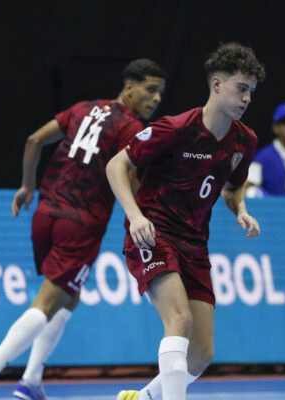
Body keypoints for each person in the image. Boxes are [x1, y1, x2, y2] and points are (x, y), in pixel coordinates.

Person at [0, 59, 166, 400]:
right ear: (129, 87)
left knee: (68, 298)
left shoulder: (82, 108)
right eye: (151, 90)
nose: (157, 98)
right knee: (47, 302)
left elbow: (33, 141)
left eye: (161, 92)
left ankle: (31, 381)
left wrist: (27, 186)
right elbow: (131, 181)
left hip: (45, 212)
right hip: (81, 222)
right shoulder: (130, 128)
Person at [106, 42, 265, 400]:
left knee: (202, 353)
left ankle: (144, 397)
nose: (246, 99)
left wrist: (240, 209)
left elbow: (232, 189)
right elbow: (116, 164)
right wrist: (134, 216)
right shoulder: (175, 128)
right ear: (216, 84)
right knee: (179, 320)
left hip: (194, 243)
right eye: (241, 88)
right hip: (153, 233)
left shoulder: (245, 141)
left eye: (251, 92)